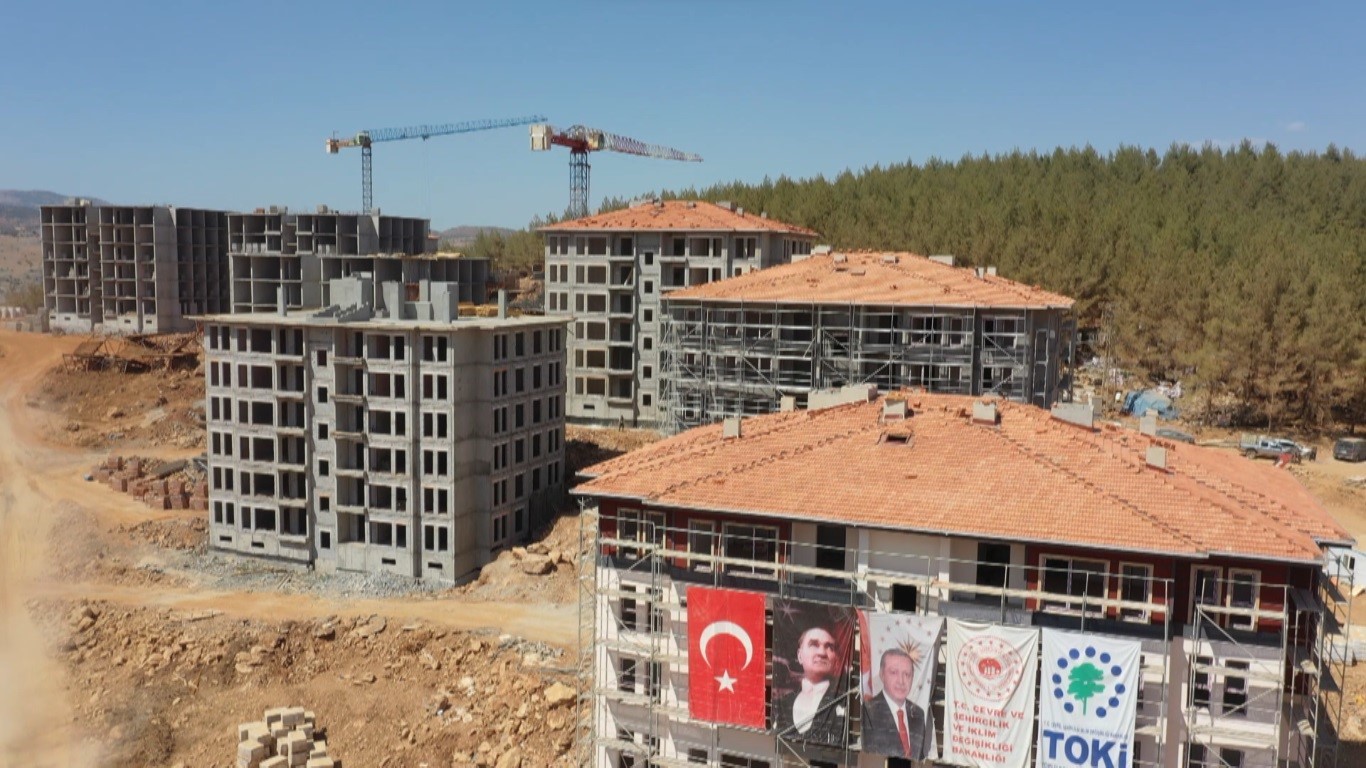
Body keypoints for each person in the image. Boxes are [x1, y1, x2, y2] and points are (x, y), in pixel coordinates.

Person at [774, 625, 846, 745]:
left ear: (836, 659)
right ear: (800, 656)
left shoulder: (844, 700)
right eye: (814, 645)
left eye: (829, 647)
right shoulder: (784, 702)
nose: (822, 653)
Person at [861, 648, 931, 759]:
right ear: (882, 675)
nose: (901, 681)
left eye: (907, 674)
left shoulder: (918, 714)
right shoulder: (868, 711)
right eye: (894, 673)